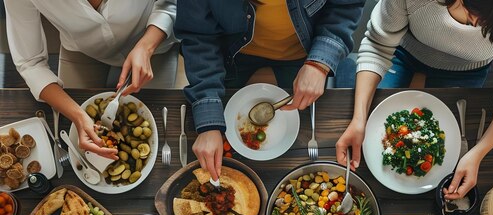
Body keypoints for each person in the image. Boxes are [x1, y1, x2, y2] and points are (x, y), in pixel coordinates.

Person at [175, 0, 365, 181]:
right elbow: (198, 37)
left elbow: (345, 8)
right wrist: (208, 122)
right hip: (229, 57)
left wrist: (319, 62)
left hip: (306, 52)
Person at [336, 0, 493, 200]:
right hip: (403, 53)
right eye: (473, 12)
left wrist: (478, 153)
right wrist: (359, 119)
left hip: (468, 71)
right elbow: (377, 45)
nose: (476, 24)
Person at [4, 0, 176, 158]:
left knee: (159, 134)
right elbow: (31, 63)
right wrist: (78, 116)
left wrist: (146, 46)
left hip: (153, 39)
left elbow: (172, 2)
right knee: (76, 144)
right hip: (83, 51)